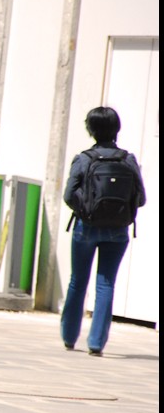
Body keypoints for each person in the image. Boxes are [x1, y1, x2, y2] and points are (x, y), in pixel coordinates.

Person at [60, 106, 147, 356]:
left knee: (78, 281)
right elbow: (141, 199)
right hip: (118, 232)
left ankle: (69, 337)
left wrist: (86, 211)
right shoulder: (128, 159)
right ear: (116, 128)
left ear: (91, 129)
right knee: (106, 284)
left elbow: (68, 195)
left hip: (85, 228)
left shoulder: (84, 159)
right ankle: (96, 343)